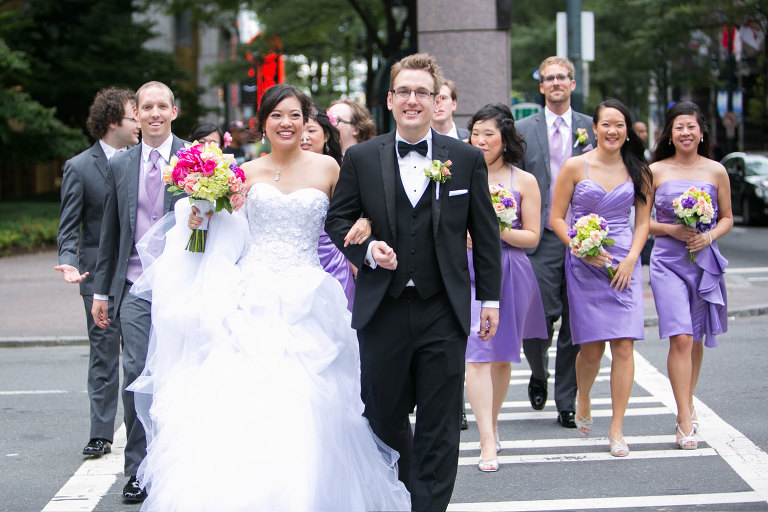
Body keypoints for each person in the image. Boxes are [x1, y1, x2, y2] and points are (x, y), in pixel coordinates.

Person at [128, 84, 410, 511]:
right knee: (244, 402)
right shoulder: (243, 173)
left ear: (307, 121)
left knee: (314, 404)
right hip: (252, 299)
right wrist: (199, 215)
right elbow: (218, 236)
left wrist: (367, 227)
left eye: (295, 115)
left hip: (311, 298)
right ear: (262, 123)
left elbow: (360, 214)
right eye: (277, 115)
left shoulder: (331, 168)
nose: (286, 123)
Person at [325, 53, 502, 512]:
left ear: (436, 100)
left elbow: (485, 233)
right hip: (381, 309)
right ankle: (395, 497)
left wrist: (491, 300)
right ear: (389, 99)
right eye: (403, 91)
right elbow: (337, 219)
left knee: (440, 422)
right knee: (383, 416)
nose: (412, 99)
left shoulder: (464, 159)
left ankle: (428, 507)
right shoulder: (362, 157)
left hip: (442, 307)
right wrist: (365, 252)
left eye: (422, 92)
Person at [90, 81, 186, 503]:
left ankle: (181, 463)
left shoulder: (195, 159)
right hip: (134, 287)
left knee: (181, 376)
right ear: (136, 113)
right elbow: (111, 233)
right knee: (137, 375)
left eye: (161, 106)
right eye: (146, 107)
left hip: (183, 284)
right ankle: (138, 469)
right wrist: (101, 292)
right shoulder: (121, 164)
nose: (154, 113)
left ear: (173, 111)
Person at [550, 98, 652, 457]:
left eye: (620, 125)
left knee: (624, 346)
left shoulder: (639, 169)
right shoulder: (575, 166)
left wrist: (633, 261)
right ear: (594, 128)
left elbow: (642, 222)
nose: (613, 131)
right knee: (591, 350)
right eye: (606, 124)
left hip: (624, 261)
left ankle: (617, 427)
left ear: (627, 131)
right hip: (584, 263)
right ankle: (583, 394)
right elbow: (557, 219)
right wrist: (580, 246)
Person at [55, 87, 139, 459]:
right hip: (96, 275)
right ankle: (100, 433)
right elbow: (69, 225)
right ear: (112, 122)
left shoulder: (145, 160)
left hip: (137, 273)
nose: (139, 121)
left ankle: (143, 433)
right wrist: (70, 261)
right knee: (104, 354)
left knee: (138, 358)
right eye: (133, 115)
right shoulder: (79, 166)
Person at [465, 103, 547, 472]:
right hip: (465, 270)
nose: (480, 141)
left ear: (505, 139)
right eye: (476, 133)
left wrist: (493, 231)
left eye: (489, 134)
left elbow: (532, 237)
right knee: (475, 353)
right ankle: (486, 440)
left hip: (510, 269)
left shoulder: (523, 181)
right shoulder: (455, 175)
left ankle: (492, 424)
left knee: (500, 356)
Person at [515, 56, 596, 427]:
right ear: (542, 86)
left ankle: (566, 399)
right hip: (541, 237)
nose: (556, 83)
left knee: (576, 319)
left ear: (573, 84)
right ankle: (538, 371)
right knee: (539, 317)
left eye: (563, 77)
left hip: (583, 235)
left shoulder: (592, 129)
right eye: (549, 78)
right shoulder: (521, 129)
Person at [648, 101, 732, 450]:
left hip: (702, 261)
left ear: (701, 132)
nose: (685, 132)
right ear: (669, 132)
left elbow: (727, 217)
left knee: (694, 339)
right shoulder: (654, 170)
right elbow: (642, 222)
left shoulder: (716, 171)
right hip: (667, 261)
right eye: (678, 127)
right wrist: (671, 229)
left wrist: (708, 235)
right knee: (680, 338)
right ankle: (684, 417)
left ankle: (688, 401)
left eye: (691, 126)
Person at [300, 104, 369, 309]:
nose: (304, 137)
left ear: (326, 135)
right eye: (300, 130)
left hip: (332, 256)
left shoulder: (338, 168)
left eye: (311, 130)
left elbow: (352, 214)